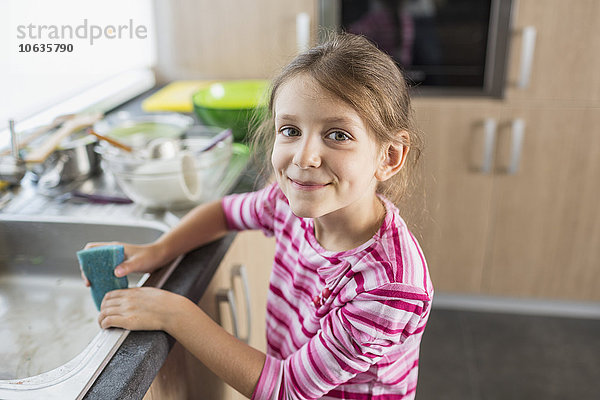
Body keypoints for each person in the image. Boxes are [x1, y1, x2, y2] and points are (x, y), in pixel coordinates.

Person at [82, 33, 433, 399]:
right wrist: (159, 250)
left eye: (338, 134)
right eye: (291, 131)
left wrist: (175, 313)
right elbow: (224, 213)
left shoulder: (389, 287)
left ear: (389, 157)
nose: (303, 157)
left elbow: (286, 388)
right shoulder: (287, 202)